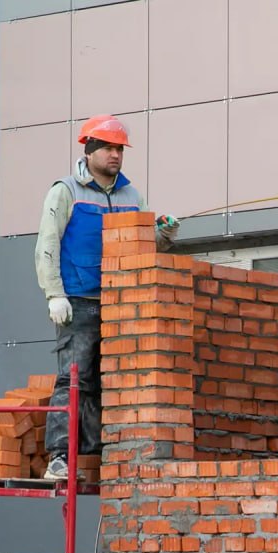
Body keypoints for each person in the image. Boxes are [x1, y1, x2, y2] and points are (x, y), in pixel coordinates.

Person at [35, 114, 179, 481]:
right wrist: (55, 294)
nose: (116, 155)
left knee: (107, 380)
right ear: (90, 149)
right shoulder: (66, 191)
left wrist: (163, 234)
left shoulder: (132, 195)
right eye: (109, 148)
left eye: (119, 149)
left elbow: (142, 245)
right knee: (74, 378)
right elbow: (47, 246)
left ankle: (96, 454)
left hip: (120, 301)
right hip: (78, 299)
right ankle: (59, 457)